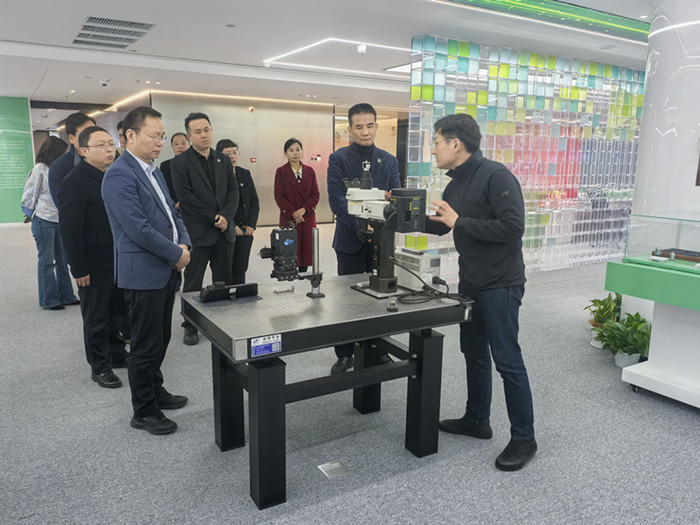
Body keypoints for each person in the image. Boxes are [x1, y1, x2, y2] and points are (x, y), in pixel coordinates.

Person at [426, 113, 536, 471]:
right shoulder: (455, 183)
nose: (433, 150)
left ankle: (525, 438)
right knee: (473, 352)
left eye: (436, 143)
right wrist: (394, 214)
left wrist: (460, 221)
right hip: (471, 281)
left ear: (455, 143)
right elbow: (442, 226)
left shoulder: (496, 176)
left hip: (501, 283)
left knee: (507, 358)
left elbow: (512, 228)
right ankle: (477, 419)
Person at [102, 106, 192, 435]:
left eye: (162, 137)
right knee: (144, 345)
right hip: (142, 273)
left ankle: (156, 389)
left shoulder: (153, 171)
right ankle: (143, 410)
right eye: (154, 136)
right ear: (130, 135)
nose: (160, 143)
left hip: (165, 268)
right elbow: (138, 229)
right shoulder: (119, 174)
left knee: (161, 338)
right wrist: (176, 254)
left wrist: (185, 243)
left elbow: (173, 214)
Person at [327, 103, 401, 374]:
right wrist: (360, 223)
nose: (365, 131)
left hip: (382, 240)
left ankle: (379, 349)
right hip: (350, 239)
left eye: (370, 125)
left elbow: (394, 196)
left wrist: (379, 225)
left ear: (377, 126)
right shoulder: (339, 158)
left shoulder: (389, 160)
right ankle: (345, 353)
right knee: (347, 300)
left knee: (381, 297)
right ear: (350, 129)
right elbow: (336, 200)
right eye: (359, 127)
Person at [58, 126, 129, 388]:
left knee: (117, 312)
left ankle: (117, 353)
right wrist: (79, 269)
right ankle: (100, 367)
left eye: (111, 144)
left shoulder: (113, 175)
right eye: (101, 145)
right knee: (97, 317)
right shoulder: (74, 183)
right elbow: (70, 231)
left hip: (117, 259)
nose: (109, 149)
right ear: (83, 151)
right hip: (92, 264)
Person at [171, 113, 238, 346]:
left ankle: (222, 322)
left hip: (223, 231)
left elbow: (233, 191)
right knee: (193, 283)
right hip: (198, 233)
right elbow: (185, 198)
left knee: (223, 280)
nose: (204, 135)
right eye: (198, 132)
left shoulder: (223, 160)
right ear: (189, 136)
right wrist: (213, 218)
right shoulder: (180, 163)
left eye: (207, 130)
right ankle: (190, 325)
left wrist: (226, 216)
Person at [21, 137, 78, 310]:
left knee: (62, 261)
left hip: (60, 220)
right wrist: (29, 212)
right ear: (55, 152)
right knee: (47, 262)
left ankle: (67, 296)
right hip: (44, 220)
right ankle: (49, 300)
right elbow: (29, 193)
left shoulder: (60, 169)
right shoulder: (40, 169)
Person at [274, 138, 320, 273]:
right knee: (290, 249)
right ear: (286, 153)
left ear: (302, 152)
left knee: (306, 250)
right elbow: (279, 196)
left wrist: (304, 209)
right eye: (291, 150)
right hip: (290, 218)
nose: (295, 153)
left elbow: (315, 194)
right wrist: (294, 213)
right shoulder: (281, 172)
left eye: (298, 150)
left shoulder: (310, 171)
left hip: (307, 217)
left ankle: (304, 274)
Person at [217, 139, 259, 283]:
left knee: (241, 268)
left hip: (245, 230)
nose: (232, 156)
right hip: (226, 230)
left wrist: (251, 224)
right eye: (228, 153)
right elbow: (218, 204)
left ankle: (239, 294)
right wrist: (231, 224)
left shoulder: (244, 173)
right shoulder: (217, 176)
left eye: (234, 152)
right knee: (225, 269)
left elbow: (254, 201)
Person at [48, 112, 96, 209]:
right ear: (71, 138)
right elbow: (64, 206)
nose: (92, 138)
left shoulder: (106, 160)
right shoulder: (59, 168)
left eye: (94, 132)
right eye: (86, 134)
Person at [160, 132, 190, 203]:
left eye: (183, 143)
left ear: (189, 144)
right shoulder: (165, 166)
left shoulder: (196, 163)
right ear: (172, 147)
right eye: (176, 144)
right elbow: (164, 189)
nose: (180, 147)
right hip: (175, 205)